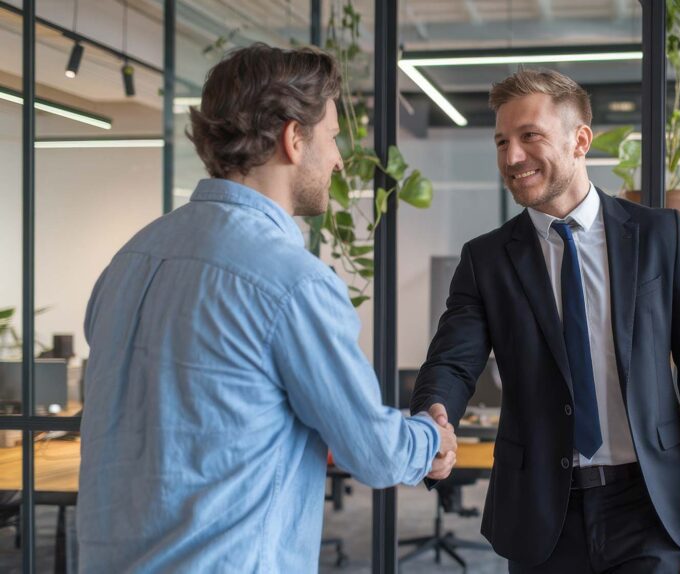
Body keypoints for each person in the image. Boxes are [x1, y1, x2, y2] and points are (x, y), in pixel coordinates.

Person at [77, 44, 456, 572]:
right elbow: (371, 450)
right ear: (293, 138)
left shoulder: (129, 261)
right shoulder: (291, 282)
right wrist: (430, 439)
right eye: (330, 137)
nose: (340, 158)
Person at [411, 68, 680, 574]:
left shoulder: (659, 237)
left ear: (580, 140)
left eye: (529, 136)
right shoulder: (487, 259)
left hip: (649, 506)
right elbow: (453, 364)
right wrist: (434, 417)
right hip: (542, 513)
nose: (511, 157)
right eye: (502, 141)